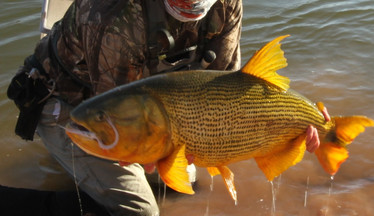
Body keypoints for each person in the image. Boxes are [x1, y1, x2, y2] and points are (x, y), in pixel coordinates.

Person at [7, 0, 326, 215]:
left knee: (190, 188)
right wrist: (154, 156)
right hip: (69, 103)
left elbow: (227, 89)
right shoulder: (116, 13)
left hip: (154, 103)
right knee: (141, 211)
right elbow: (121, 130)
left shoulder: (226, 4)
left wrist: (296, 126)